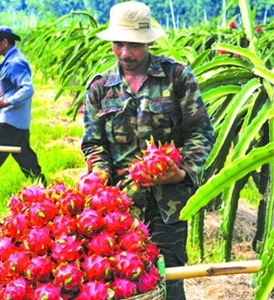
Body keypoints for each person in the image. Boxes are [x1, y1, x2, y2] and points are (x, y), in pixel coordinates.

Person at [81, 2, 215, 299]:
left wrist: (182, 172)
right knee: (123, 283)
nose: (125, 53)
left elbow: (201, 132)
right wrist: (99, 173)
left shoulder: (177, 77)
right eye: (118, 44)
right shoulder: (100, 87)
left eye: (134, 45)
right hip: (118, 208)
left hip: (170, 205)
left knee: (169, 282)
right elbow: (93, 143)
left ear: (149, 41)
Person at [0, 27, 46, 193]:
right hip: (18, 121)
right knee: (25, 157)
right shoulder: (8, 59)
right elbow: (7, 84)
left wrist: (5, 102)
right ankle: (44, 188)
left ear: (5, 42)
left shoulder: (15, 63)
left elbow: (27, 88)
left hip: (10, 121)